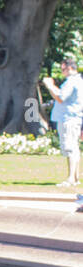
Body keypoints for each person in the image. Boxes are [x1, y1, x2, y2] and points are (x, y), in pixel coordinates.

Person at [44, 57, 83, 186]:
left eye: (63, 69)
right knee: (74, 148)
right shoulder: (78, 81)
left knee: (70, 148)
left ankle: (71, 178)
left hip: (69, 119)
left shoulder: (72, 81)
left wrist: (50, 86)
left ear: (70, 68)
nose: (62, 72)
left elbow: (60, 97)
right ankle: (75, 178)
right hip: (73, 119)